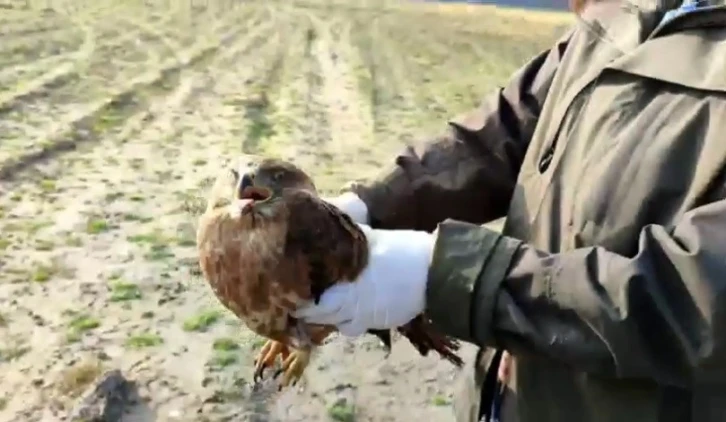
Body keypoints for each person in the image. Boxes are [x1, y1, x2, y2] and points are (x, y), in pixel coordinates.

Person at [293, 0, 726, 420]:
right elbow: (505, 129)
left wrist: (449, 276)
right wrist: (365, 206)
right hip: (508, 394)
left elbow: (692, 299)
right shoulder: (633, 10)